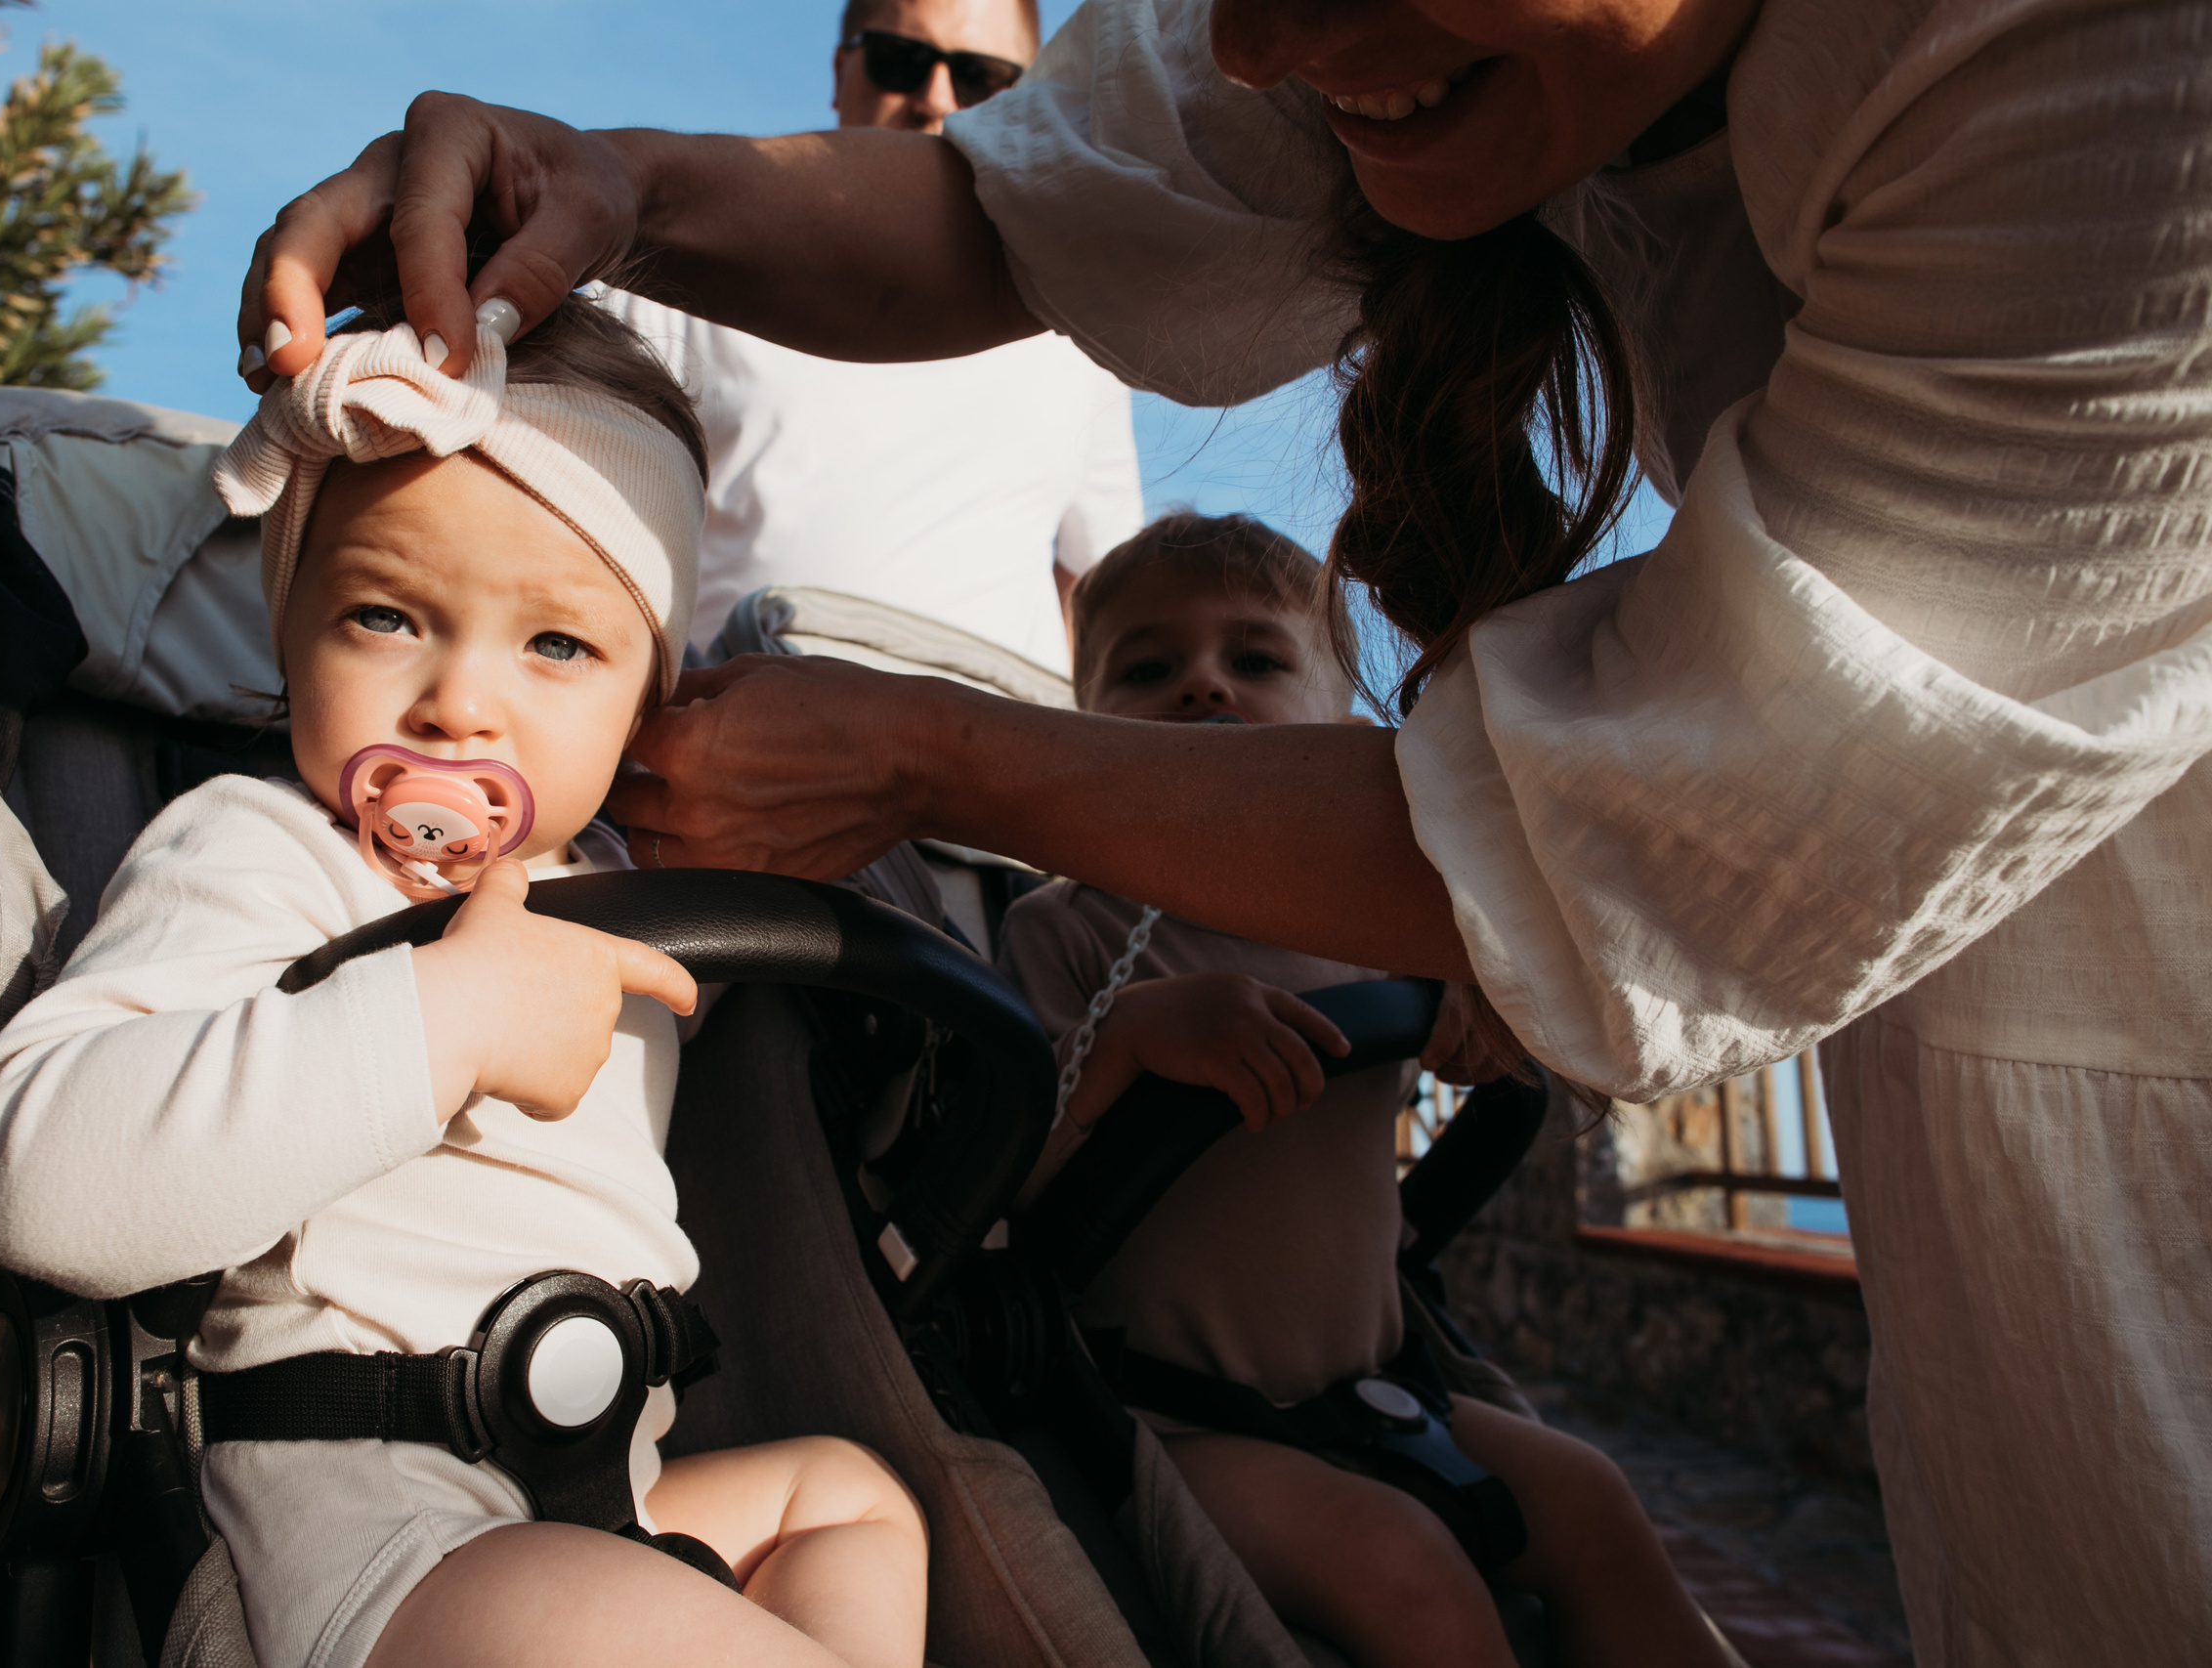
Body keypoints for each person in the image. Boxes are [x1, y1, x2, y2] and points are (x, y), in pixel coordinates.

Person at [234, 0, 2212, 1660]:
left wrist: (943, 752)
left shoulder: (2116, 95)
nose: (1253, 38)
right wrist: (622, 180)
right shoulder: (1084, 925)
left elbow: (1633, 833)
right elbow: (1034, 198)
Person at [0, 301, 928, 1668]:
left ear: (647, 701)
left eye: (557, 646)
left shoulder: (638, 887)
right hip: (378, 1514)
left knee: (848, 1497)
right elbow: (42, 1178)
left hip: (601, 1483)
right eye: (384, 615)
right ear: (288, 637)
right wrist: (443, 1015)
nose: (459, 702)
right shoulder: (262, 849)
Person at [1000, 513, 1724, 1668]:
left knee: (1590, 1501)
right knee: (1410, 1575)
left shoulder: (1375, 920)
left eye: (1255, 659)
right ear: (1089, 726)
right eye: (1147, 668)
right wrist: (1130, 1041)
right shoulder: (1073, 927)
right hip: (1169, 1420)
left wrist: (1484, 996)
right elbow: (1008, 1179)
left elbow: (1525, 1016)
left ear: (1338, 722)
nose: (1200, 686)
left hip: (1379, 1386)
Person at [597, 0, 1142, 673]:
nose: (935, 96)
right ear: (839, 68)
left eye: (982, 77)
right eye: (901, 61)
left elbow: (1099, 585)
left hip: (1004, 758)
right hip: (739, 738)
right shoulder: (691, 265)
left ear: (1025, 97)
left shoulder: (1082, 312)